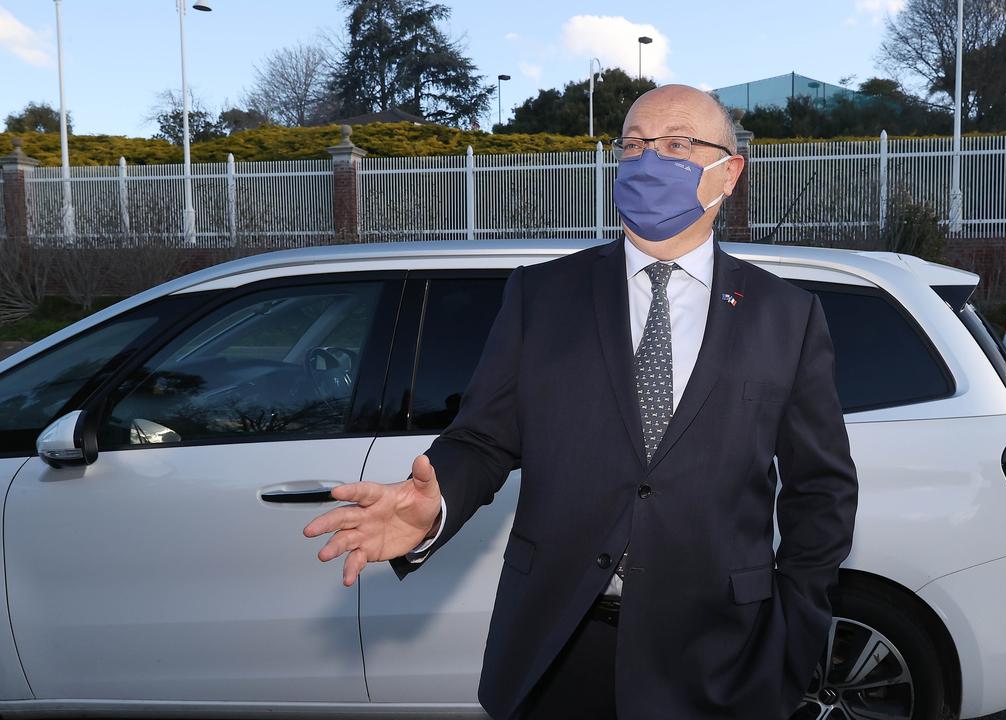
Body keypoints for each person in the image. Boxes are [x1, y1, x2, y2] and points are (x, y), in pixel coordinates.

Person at [303, 84, 859, 720]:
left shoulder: (787, 316)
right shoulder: (541, 296)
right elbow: (483, 438)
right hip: (557, 647)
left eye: (677, 146)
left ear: (728, 173)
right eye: (635, 147)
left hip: (722, 655)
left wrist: (795, 633)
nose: (651, 162)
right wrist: (436, 502)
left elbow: (822, 490)